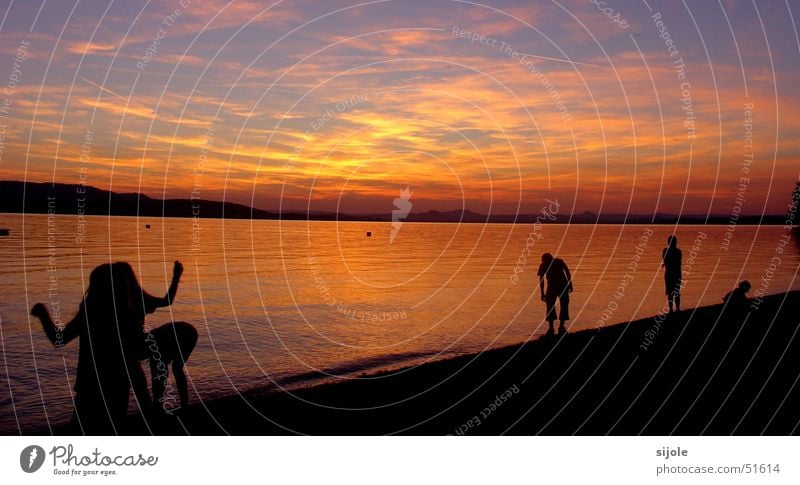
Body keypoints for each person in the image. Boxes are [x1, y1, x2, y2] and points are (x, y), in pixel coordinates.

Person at [30, 263, 150, 434]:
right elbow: (140, 351)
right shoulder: (128, 315)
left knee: (79, 431)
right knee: (112, 430)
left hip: (89, 383)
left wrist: (43, 315)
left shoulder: (89, 311)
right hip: (118, 384)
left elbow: (59, 340)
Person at [113, 261, 197, 414]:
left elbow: (167, 301)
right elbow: (167, 301)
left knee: (160, 366)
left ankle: (159, 407)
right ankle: (161, 406)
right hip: (155, 338)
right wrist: (176, 276)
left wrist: (176, 277)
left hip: (157, 338)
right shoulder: (136, 296)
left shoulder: (124, 298)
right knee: (165, 367)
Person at [537, 253, 573, 336]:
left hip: (563, 285)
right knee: (550, 306)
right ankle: (551, 328)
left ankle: (561, 327)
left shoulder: (559, 262)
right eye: (543, 261)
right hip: (551, 287)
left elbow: (567, 271)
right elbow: (541, 279)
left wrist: (570, 283)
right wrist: (542, 293)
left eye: (545, 260)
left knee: (564, 305)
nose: (544, 262)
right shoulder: (542, 265)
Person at [662, 236, 682, 313]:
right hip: (676, 273)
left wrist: (667, 264)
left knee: (670, 292)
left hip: (670, 273)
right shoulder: (678, 251)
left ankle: (671, 309)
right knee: (675, 292)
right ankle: (676, 309)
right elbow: (679, 263)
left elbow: (665, 260)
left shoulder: (665, 251)